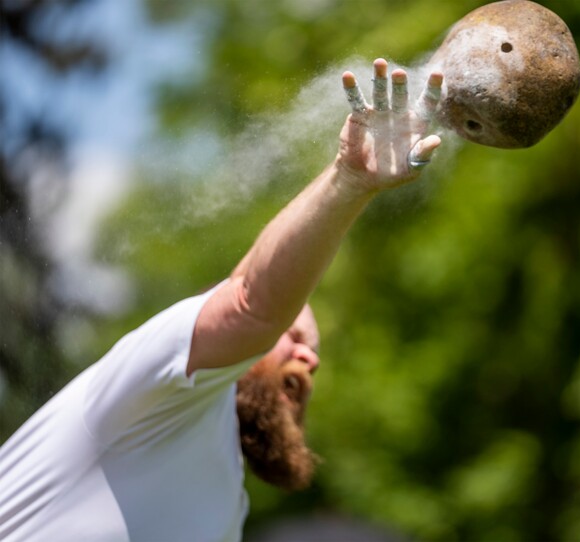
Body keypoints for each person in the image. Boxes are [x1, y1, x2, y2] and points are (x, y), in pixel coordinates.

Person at [0, 58, 444, 541]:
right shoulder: (153, 387)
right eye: (291, 336)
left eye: (311, 349)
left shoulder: (228, 511)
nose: (309, 358)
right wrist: (350, 180)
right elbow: (252, 304)